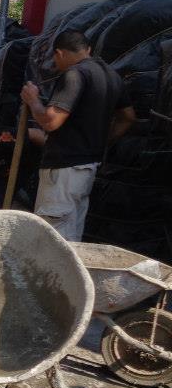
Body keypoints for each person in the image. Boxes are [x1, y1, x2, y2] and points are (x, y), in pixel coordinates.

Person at [21, 30, 135, 241]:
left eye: (55, 58)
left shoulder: (75, 74)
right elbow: (128, 117)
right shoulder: (111, 76)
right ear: (88, 50)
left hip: (64, 170)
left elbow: (51, 121)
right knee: (71, 237)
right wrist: (101, 141)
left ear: (59, 53)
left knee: (52, 238)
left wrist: (33, 100)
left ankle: (52, 275)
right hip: (86, 168)